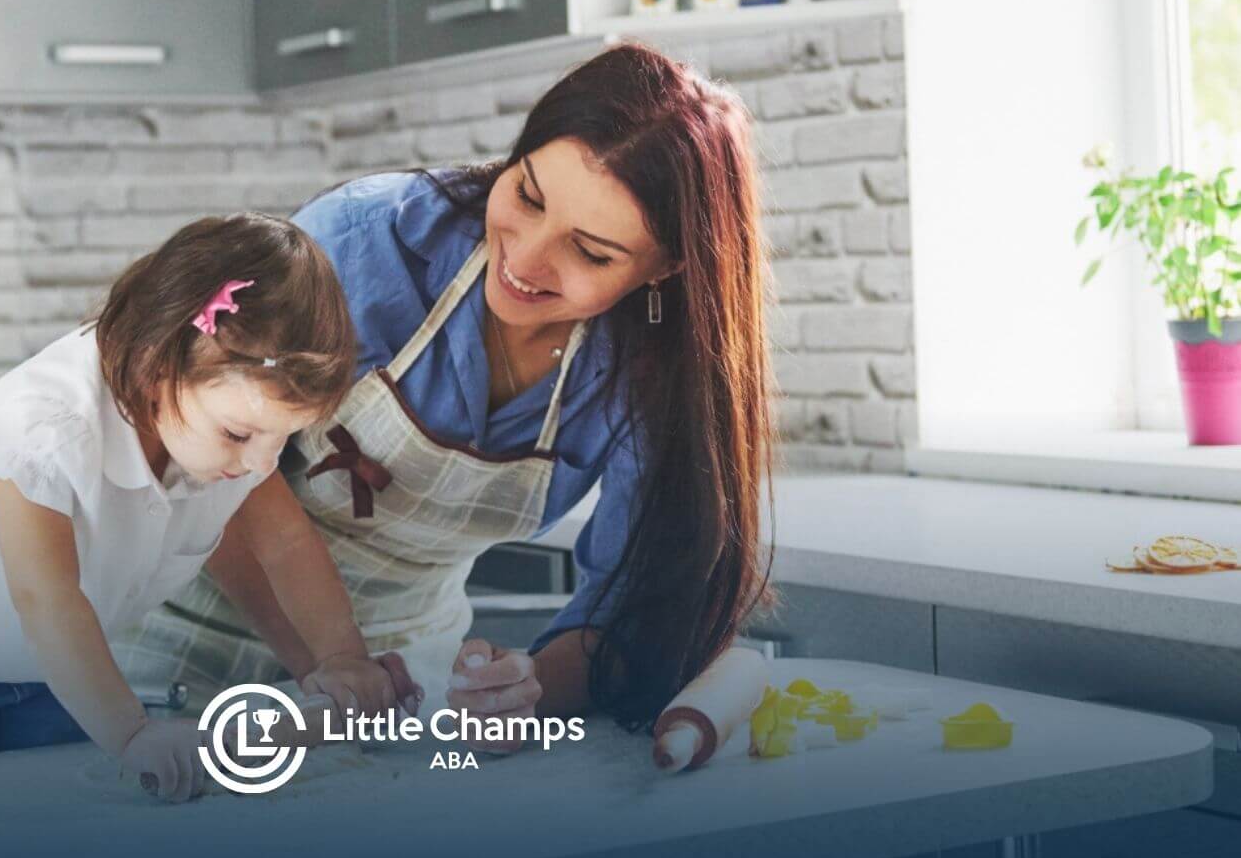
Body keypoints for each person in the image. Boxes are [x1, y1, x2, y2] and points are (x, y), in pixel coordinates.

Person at [119, 42, 775, 743]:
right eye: (526, 195)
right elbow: (210, 463)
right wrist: (333, 665)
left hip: (405, 677)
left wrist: (527, 689)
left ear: (665, 268)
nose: (524, 259)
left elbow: (634, 602)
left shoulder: (649, 367)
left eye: (590, 252)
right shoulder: (366, 241)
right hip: (174, 637)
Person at [0, 213, 400, 799]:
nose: (263, 465)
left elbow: (282, 548)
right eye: (241, 435)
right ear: (158, 368)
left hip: (49, 656)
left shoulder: (218, 432)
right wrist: (131, 733)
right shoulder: (51, 429)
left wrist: (335, 660)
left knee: (53, 813)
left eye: (283, 438)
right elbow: (45, 598)